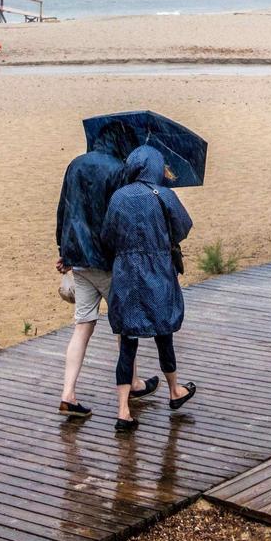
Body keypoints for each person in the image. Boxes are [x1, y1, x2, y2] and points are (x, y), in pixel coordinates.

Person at [55, 126, 155, 418]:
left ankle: (68, 393)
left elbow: (64, 210)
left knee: (83, 325)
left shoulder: (75, 164)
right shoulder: (118, 169)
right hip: (108, 261)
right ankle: (133, 384)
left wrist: (63, 250)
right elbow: (120, 216)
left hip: (79, 258)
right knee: (125, 325)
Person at [101, 145, 197, 432]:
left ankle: (123, 410)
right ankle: (174, 390)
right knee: (163, 332)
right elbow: (183, 227)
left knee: (128, 339)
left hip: (126, 273)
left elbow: (107, 235)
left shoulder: (118, 196)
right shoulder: (163, 194)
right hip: (157, 271)